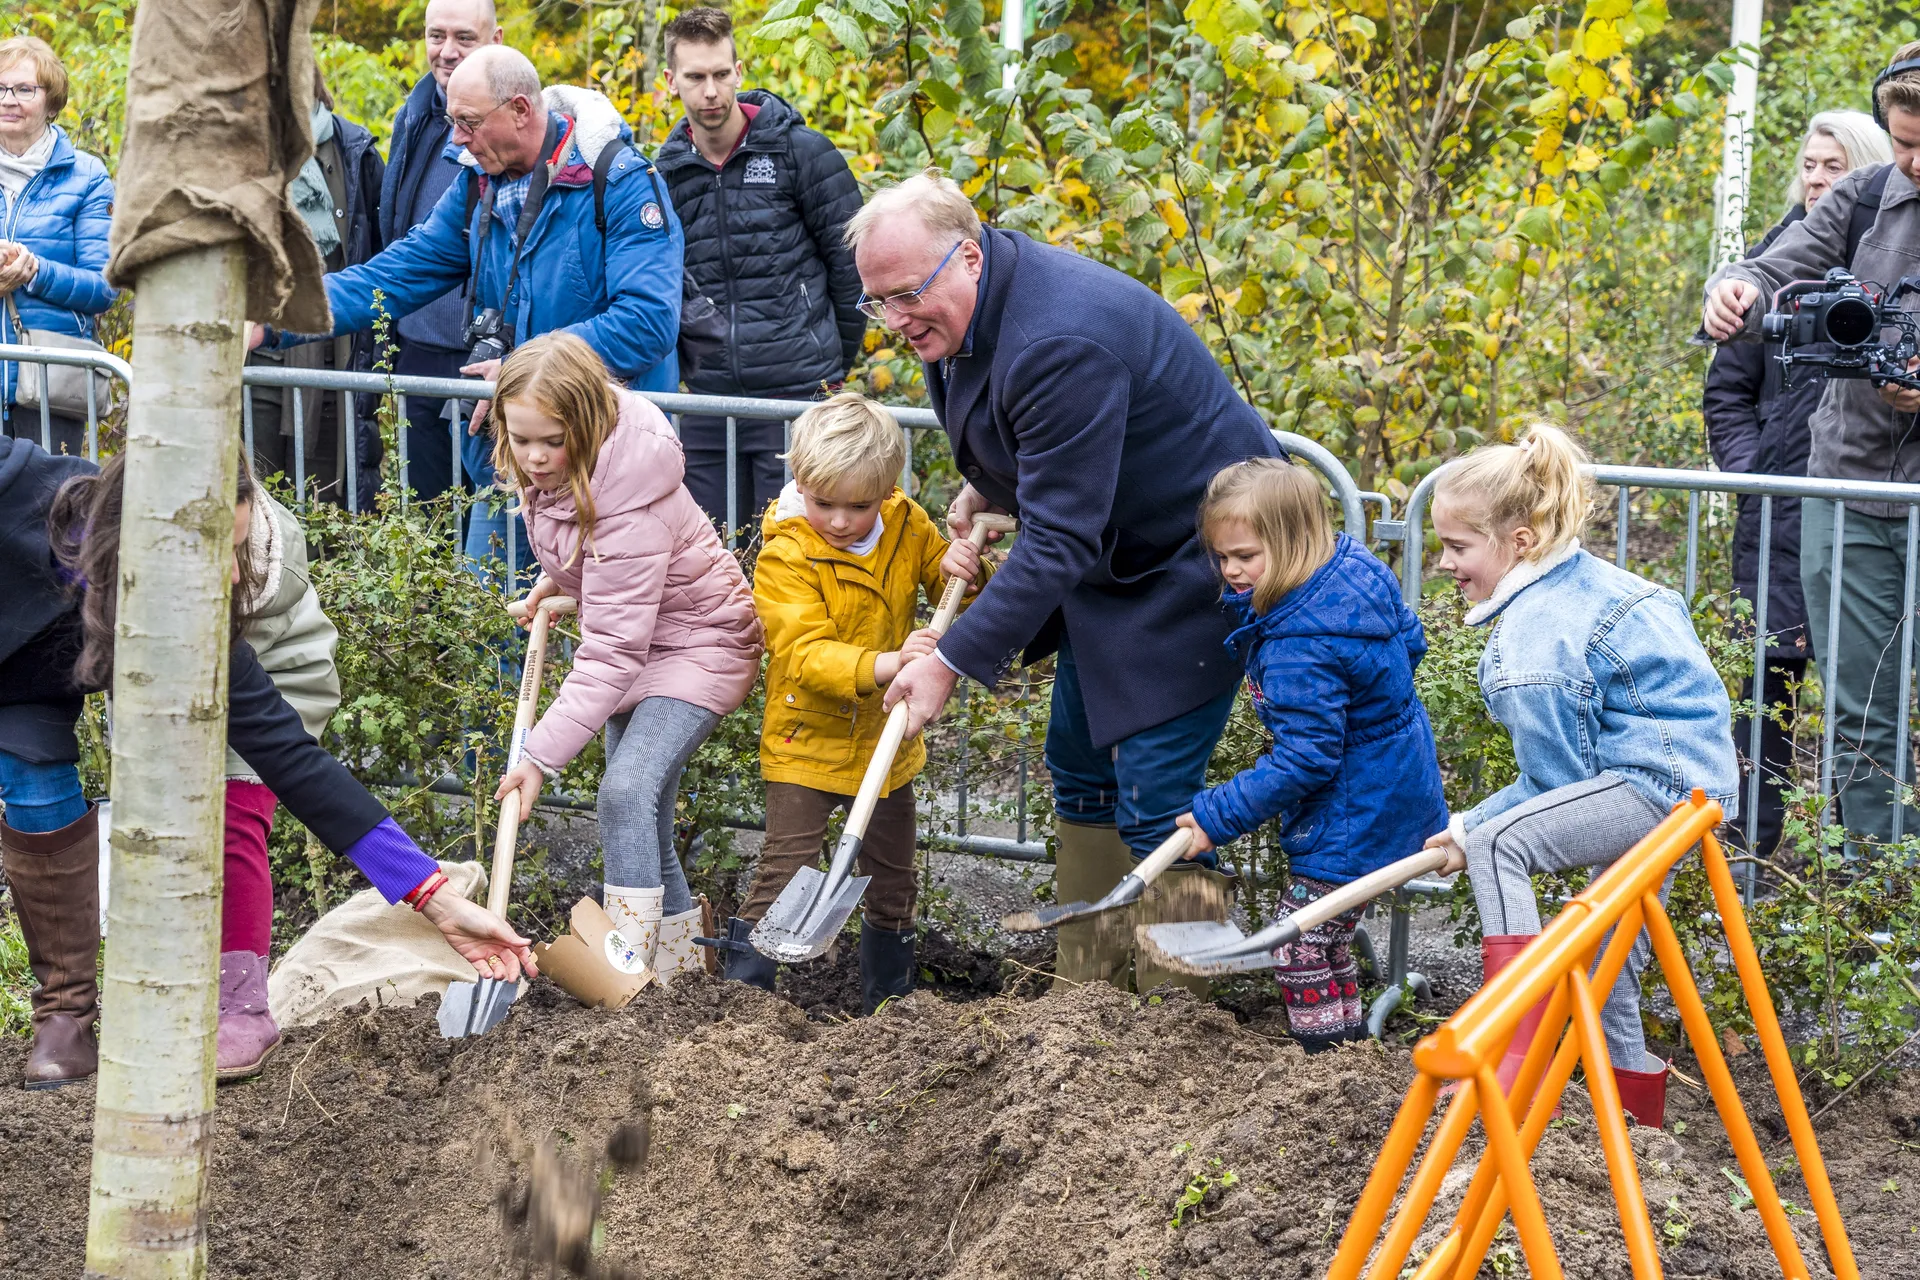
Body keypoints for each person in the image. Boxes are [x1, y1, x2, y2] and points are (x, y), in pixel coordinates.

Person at [860, 172, 1285, 995]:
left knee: (1157, 788)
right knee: (1081, 764)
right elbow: (1045, 448)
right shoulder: (968, 314)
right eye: (878, 302)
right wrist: (994, 482)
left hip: (1201, 560)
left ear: (970, 258)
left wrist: (948, 659)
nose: (897, 319)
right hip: (1117, 558)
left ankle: (1177, 1013)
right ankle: (1087, 994)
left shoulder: (1057, 338)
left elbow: (1059, 536)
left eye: (908, 294)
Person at [3, 447, 535, 1091]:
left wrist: (433, 897)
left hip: (245, 650)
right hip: (26, 654)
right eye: (215, 552)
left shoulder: (205, 603)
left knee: (214, 791)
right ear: (146, 539)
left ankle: (190, 1006)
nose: (231, 573)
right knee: (35, 777)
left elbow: (289, 755)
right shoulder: (15, 498)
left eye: (237, 548)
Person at [253, 45, 683, 590]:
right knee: (491, 621)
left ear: (521, 110)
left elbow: (647, 321)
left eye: (469, 123)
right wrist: (270, 318)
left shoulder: (619, 182)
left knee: (603, 629)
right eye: (453, 122)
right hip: (516, 461)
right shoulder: (479, 185)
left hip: (607, 465)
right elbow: (395, 274)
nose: (456, 139)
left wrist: (524, 371)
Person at [1422, 424, 1739, 1129]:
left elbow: (1557, 784)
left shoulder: (1538, 638)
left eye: (1458, 546)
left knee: (1503, 845)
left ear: (1520, 540)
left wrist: (1473, 832)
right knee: (1605, 948)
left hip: (1652, 785)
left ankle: (1510, 1048)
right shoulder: (1583, 583)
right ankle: (1633, 1113)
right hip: (1690, 786)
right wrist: (1464, 829)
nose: (1444, 563)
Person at [487, 334, 761, 982]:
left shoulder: (628, 495)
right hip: (645, 642)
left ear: (586, 425)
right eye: (520, 439)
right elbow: (611, 569)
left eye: (551, 441)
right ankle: (681, 980)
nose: (534, 456)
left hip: (700, 645)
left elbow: (612, 647)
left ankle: (629, 977)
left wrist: (537, 760)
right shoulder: (572, 471)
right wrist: (564, 580)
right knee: (644, 820)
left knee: (626, 792)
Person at [1701, 45, 1920, 847]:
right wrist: (1734, 289)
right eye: (1902, 142)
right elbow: (1772, 268)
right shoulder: (1863, 197)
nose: (1912, 163)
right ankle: (1879, 892)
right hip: (1848, 490)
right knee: (1860, 715)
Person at [721, 393, 986, 1011]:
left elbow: (955, 595)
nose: (840, 521)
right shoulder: (787, 553)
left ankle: (889, 1012)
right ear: (800, 482)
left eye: (860, 506)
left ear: (889, 491)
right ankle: (742, 1006)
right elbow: (804, 654)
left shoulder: (906, 524)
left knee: (892, 880)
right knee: (786, 870)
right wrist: (889, 662)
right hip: (806, 743)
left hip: (885, 742)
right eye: (824, 503)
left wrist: (966, 571)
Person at [1172, 458, 1447, 1052]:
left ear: (1293, 541)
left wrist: (1216, 815)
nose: (1230, 570)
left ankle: (1325, 1066)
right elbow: (1411, 641)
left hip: (1354, 811)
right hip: (1395, 782)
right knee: (1327, 937)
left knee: (1295, 944)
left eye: (1245, 555)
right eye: (1221, 556)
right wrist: (1375, 710)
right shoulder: (1353, 570)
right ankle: (1352, 1056)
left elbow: (1306, 759)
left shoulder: (1299, 642)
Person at [655, 8, 866, 533]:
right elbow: (662, 283)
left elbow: (854, 266)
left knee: (793, 549)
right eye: (695, 77)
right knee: (707, 550)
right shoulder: (664, 174)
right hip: (708, 400)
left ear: (739, 71)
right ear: (670, 81)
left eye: (720, 74)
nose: (710, 91)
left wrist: (828, 363)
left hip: (798, 395)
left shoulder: (801, 152)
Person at [217, 480, 343, 1078]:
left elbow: (267, 728)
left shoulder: (265, 567)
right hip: (180, 679)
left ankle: (242, 1006)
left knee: (230, 817)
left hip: (275, 678)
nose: (232, 570)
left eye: (233, 550)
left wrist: (416, 882)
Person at [377, 0, 504, 501]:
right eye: (436, 36)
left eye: (464, 38)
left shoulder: (517, 124)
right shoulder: (412, 117)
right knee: (427, 511)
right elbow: (402, 238)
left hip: (492, 356)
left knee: (494, 511)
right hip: (418, 348)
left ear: (495, 41)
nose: (447, 51)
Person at [244, 67, 385, 510]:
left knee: (326, 505)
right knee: (256, 500)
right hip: (255, 361)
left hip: (334, 361)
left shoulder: (352, 149)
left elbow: (379, 250)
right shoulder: (232, 147)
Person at [0, 37, 115, 458]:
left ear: (51, 102)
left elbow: (103, 287)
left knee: (48, 498)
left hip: (50, 382)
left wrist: (36, 272)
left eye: (24, 89)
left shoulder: (87, 177)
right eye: (0, 88)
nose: (8, 100)